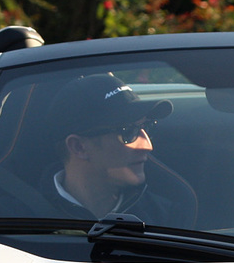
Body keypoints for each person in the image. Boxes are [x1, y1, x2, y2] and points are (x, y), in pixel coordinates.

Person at [48, 72, 186, 224]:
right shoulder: (24, 219)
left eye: (147, 127)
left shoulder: (166, 218)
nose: (147, 145)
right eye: (128, 132)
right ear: (79, 147)